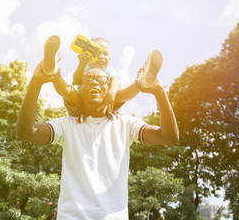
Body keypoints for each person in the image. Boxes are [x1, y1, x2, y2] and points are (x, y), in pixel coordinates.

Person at [16, 44, 179, 219]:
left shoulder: (125, 124)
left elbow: (168, 136)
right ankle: (51, 71)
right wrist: (36, 81)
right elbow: (26, 132)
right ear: (80, 90)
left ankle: (144, 81)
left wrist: (160, 92)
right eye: (88, 80)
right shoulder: (67, 125)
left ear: (109, 89)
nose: (94, 82)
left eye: (101, 80)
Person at [41, 35, 162, 116]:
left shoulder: (108, 70)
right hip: (80, 107)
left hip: (104, 107)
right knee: (70, 92)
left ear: (109, 58)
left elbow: (116, 80)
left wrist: (111, 94)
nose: (101, 57)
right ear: (88, 55)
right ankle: (52, 71)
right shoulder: (86, 67)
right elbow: (77, 81)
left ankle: (143, 82)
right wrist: (82, 64)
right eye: (97, 53)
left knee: (120, 95)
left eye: (105, 54)